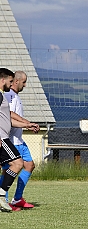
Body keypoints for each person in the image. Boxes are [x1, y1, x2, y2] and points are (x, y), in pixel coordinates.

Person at [0, 71, 40, 211]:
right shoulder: (7, 95)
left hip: (15, 139)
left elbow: (9, 117)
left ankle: (14, 198)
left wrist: (26, 124)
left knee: (26, 165)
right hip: (8, 139)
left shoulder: (8, 96)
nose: (11, 84)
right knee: (13, 166)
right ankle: (2, 198)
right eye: (10, 81)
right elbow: (9, 116)